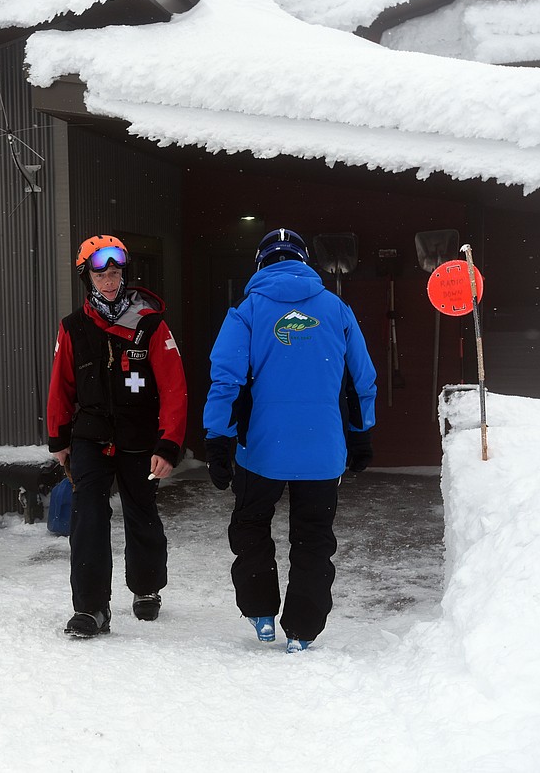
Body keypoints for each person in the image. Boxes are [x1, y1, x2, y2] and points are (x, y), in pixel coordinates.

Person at [203, 228, 377, 653]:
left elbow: (226, 382)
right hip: (323, 451)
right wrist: (360, 434)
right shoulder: (337, 310)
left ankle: (261, 612)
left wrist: (219, 441)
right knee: (314, 538)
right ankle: (301, 629)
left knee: (250, 526)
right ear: (304, 263)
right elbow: (361, 380)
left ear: (260, 264)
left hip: (261, 449)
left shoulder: (245, 312)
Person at [47, 234, 188, 638]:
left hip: (139, 437)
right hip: (91, 436)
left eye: (115, 272)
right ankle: (92, 609)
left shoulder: (151, 324)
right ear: (86, 278)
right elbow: (61, 387)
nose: (109, 280)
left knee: (141, 512)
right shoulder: (73, 328)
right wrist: (58, 439)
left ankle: (146, 587)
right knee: (88, 517)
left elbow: (175, 389)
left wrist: (169, 444)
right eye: (100, 274)